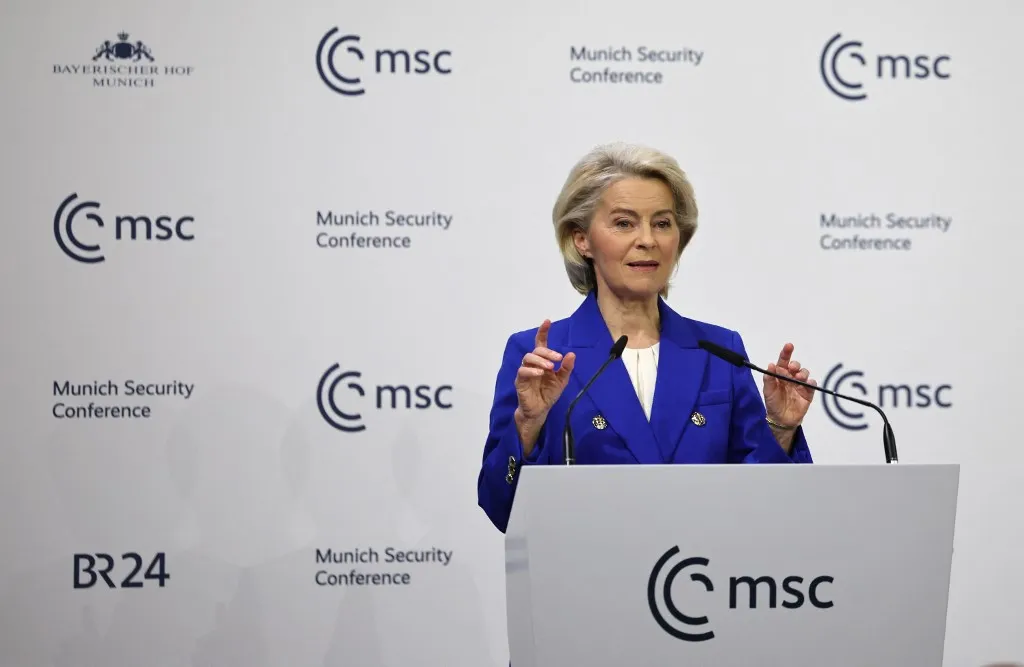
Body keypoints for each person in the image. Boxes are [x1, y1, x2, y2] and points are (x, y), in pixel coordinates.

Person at [477, 142, 816, 533]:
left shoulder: (720, 353)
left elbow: (768, 510)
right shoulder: (541, 356)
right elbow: (501, 509)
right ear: (581, 239)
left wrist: (781, 428)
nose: (647, 240)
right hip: (588, 584)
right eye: (624, 223)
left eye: (662, 223)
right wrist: (528, 425)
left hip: (700, 582)